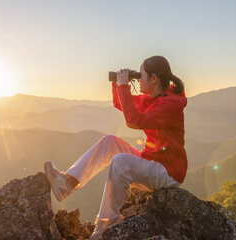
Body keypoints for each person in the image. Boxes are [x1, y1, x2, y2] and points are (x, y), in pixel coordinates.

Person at [44, 55, 188, 240]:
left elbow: (134, 120)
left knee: (121, 161)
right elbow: (120, 103)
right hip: (152, 161)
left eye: (140, 75)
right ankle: (67, 184)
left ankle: (106, 222)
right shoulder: (152, 98)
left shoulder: (170, 104)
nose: (138, 79)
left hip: (168, 172)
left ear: (154, 79)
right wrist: (119, 84)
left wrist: (123, 85)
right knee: (109, 141)